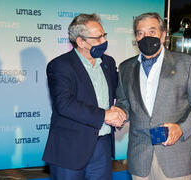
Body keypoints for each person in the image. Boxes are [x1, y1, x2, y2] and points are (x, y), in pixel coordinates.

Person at [115, 12, 191, 180]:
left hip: (175, 156)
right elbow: (125, 102)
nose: (146, 37)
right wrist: (120, 113)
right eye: (140, 33)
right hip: (140, 156)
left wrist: (181, 128)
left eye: (152, 31)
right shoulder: (125, 68)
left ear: (163, 34)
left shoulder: (186, 64)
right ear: (136, 38)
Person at [42, 13, 126, 180]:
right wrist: (105, 115)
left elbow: (120, 91)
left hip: (102, 145)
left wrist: (121, 111)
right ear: (80, 41)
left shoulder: (108, 63)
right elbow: (64, 104)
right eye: (97, 38)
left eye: (104, 35)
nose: (103, 41)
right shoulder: (60, 66)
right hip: (70, 148)